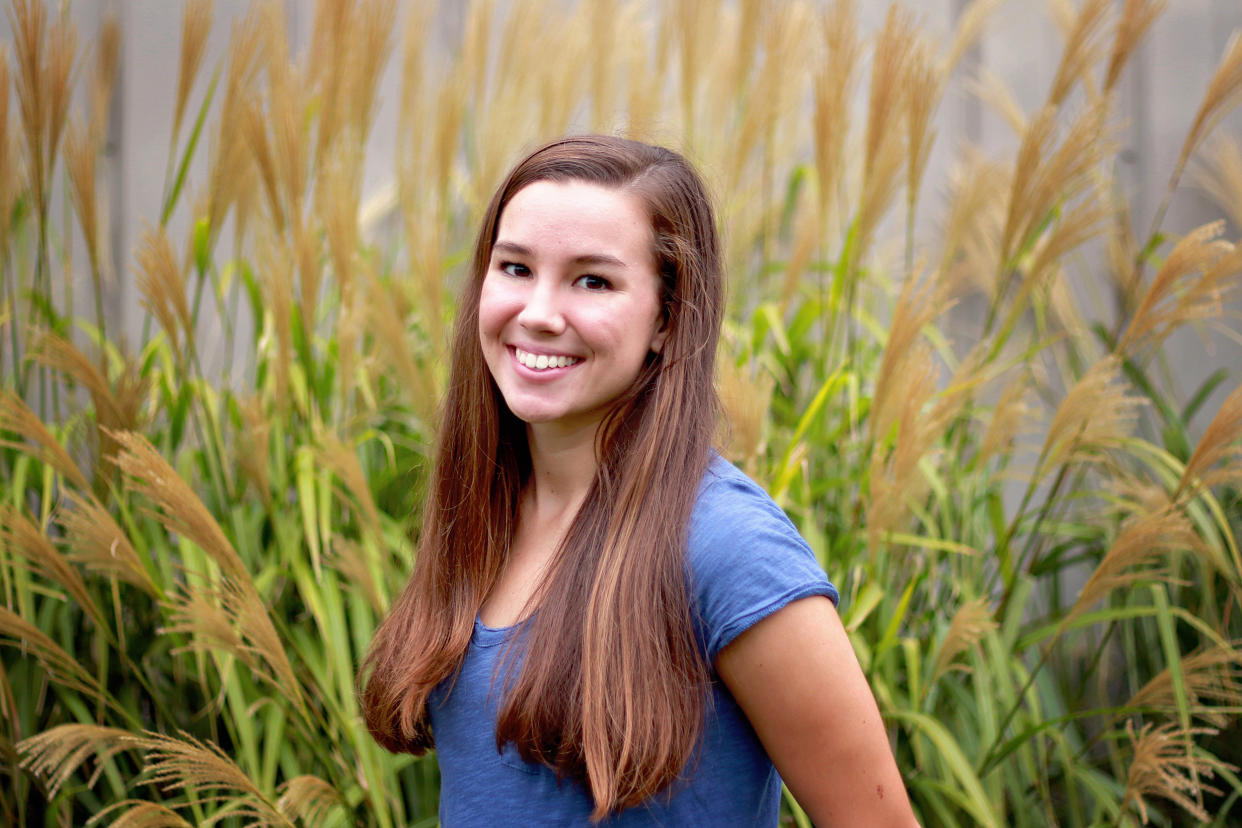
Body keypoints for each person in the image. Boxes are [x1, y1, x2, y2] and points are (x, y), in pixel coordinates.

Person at [360, 135, 918, 826]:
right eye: (515, 268)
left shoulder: (726, 547)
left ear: (666, 317)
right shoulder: (483, 509)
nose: (538, 312)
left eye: (592, 280)